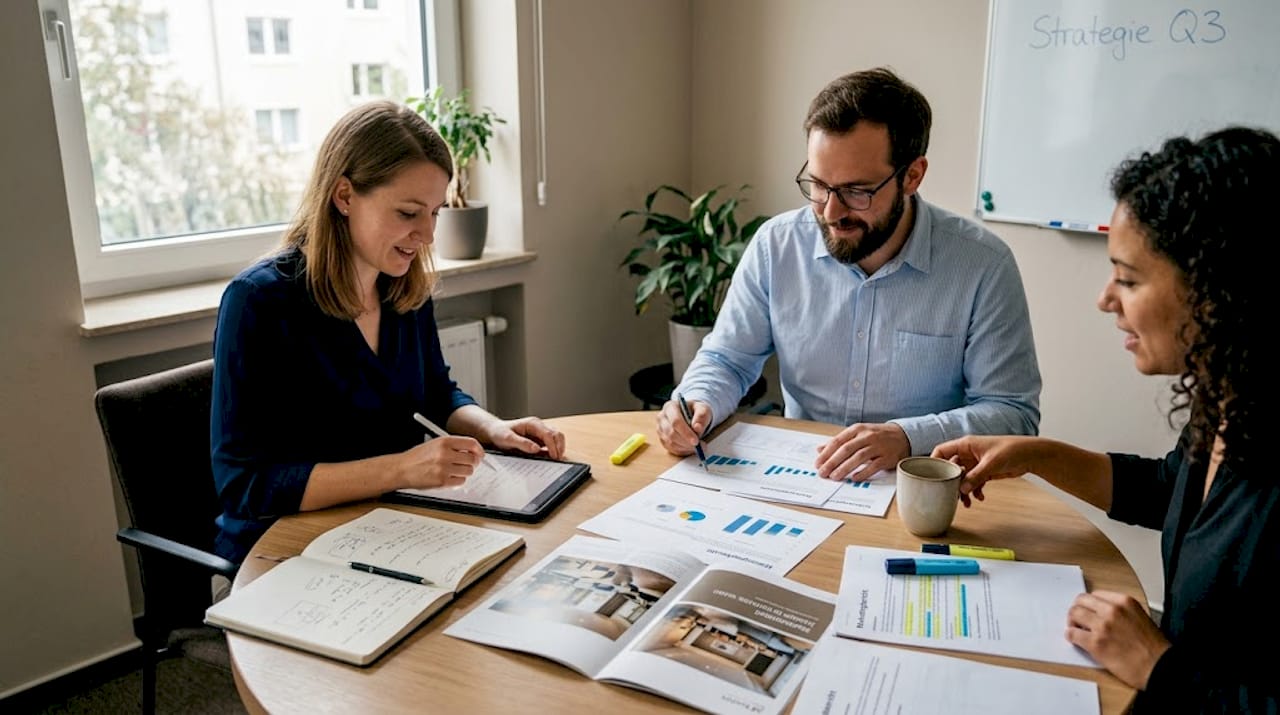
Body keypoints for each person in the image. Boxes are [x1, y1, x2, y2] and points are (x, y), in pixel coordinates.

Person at [932, 126, 1277, 711]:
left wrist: (1159, 667)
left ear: (1219, 288)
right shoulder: (1229, 393)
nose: (1105, 299)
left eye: (1129, 278)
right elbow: (1170, 492)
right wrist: (1035, 455)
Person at [211, 100, 565, 567]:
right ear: (343, 196)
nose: (427, 234)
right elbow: (244, 484)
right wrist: (402, 469)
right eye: (408, 213)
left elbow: (436, 393)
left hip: (386, 531)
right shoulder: (259, 302)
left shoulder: (403, 285)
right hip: (279, 553)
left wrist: (494, 428)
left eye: (434, 213)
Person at [657, 67, 1040, 479]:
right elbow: (728, 360)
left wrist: (907, 438)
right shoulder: (777, 245)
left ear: (912, 176)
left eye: (857, 191)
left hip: (920, 491)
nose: (830, 212)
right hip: (799, 481)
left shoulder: (982, 266)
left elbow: (1012, 414)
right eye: (819, 185)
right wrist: (697, 402)